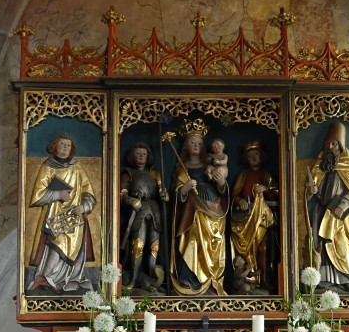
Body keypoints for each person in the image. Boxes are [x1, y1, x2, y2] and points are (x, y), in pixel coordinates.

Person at [26, 133, 97, 294]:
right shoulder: (47, 167)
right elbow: (36, 196)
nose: (65, 148)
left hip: (76, 217)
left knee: (75, 249)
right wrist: (57, 195)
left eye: (68, 145)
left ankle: (70, 280)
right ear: (54, 146)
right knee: (57, 246)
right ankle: (46, 277)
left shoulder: (77, 167)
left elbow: (88, 192)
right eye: (62, 144)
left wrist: (84, 207)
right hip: (55, 219)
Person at [169, 116, 228, 295]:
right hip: (190, 212)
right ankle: (189, 279)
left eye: (200, 143)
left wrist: (221, 183)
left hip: (213, 208)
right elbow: (176, 194)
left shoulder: (210, 164)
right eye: (192, 142)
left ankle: (211, 282)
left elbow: (224, 190)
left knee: (212, 242)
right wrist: (184, 190)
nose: (197, 146)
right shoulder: (181, 167)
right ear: (185, 146)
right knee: (192, 238)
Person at [305, 122, 349, 291]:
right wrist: (311, 191)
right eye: (328, 144)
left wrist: (341, 207)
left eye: (334, 143)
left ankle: (346, 277)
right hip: (321, 210)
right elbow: (309, 191)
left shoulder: (348, 164)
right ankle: (324, 279)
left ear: (340, 145)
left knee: (340, 245)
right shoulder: (321, 163)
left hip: (339, 213)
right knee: (321, 246)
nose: (330, 147)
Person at [229, 140, 278, 293]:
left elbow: (277, 195)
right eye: (250, 155)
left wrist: (266, 189)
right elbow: (234, 195)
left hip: (261, 218)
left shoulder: (266, 175)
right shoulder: (243, 175)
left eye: (256, 154)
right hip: (245, 218)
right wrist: (241, 200)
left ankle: (263, 279)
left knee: (262, 248)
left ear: (261, 157)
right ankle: (245, 279)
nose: (253, 158)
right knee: (245, 249)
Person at [119, 142, 168, 291]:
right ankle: (133, 279)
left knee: (154, 246)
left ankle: (154, 277)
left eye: (144, 154)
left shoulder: (155, 174)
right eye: (138, 153)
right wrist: (131, 200)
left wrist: (165, 196)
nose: (141, 156)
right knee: (137, 245)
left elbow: (162, 192)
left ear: (148, 157)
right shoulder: (128, 174)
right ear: (131, 156)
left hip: (154, 210)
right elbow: (122, 195)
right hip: (138, 209)